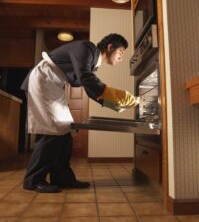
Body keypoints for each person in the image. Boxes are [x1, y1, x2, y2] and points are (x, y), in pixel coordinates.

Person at [21, 33, 139, 193]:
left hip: (53, 84)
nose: (121, 58)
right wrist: (122, 98)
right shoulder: (87, 48)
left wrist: (119, 104)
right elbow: (87, 80)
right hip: (43, 79)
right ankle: (33, 180)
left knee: (66, 129)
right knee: (52, 130)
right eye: (121, 53)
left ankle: (63, 178)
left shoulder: (92, 63)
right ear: (110, 47)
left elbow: (91, 87)